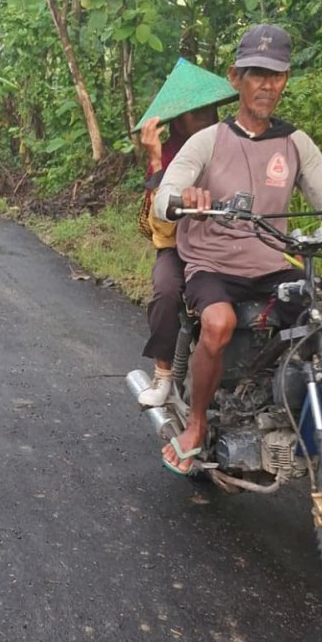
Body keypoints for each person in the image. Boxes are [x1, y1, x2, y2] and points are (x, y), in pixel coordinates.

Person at [154, 24, 322, 475]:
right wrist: (188, 200)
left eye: (275, 75)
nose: (267, 85)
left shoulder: (295, 142)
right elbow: (165, 196)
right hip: (213, 264)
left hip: (271, 263)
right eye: (257, 74)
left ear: (286, 79)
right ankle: (196, 425)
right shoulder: (209, 140)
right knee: (218, 323)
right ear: (236, 77)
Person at [133, 59, 235, 407]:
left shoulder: (229, 143)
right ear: (178, 118)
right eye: (196, 112)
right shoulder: (167, 152)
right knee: (165, 290)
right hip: (178, 244)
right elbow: (161, 222)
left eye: (210, 110)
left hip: (225, 241)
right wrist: (157, 161)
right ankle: (163, 374)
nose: (206, 117)